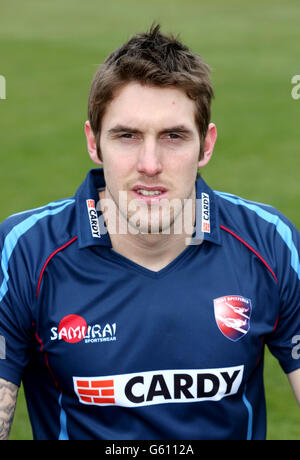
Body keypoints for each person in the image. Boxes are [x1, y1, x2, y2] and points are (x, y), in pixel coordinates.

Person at [0, 24, 299, 441]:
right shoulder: (24, 252)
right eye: (127, 136)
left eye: (173, 137)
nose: (150, 164)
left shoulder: (270, 242)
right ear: (94, 142)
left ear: (206, 146)